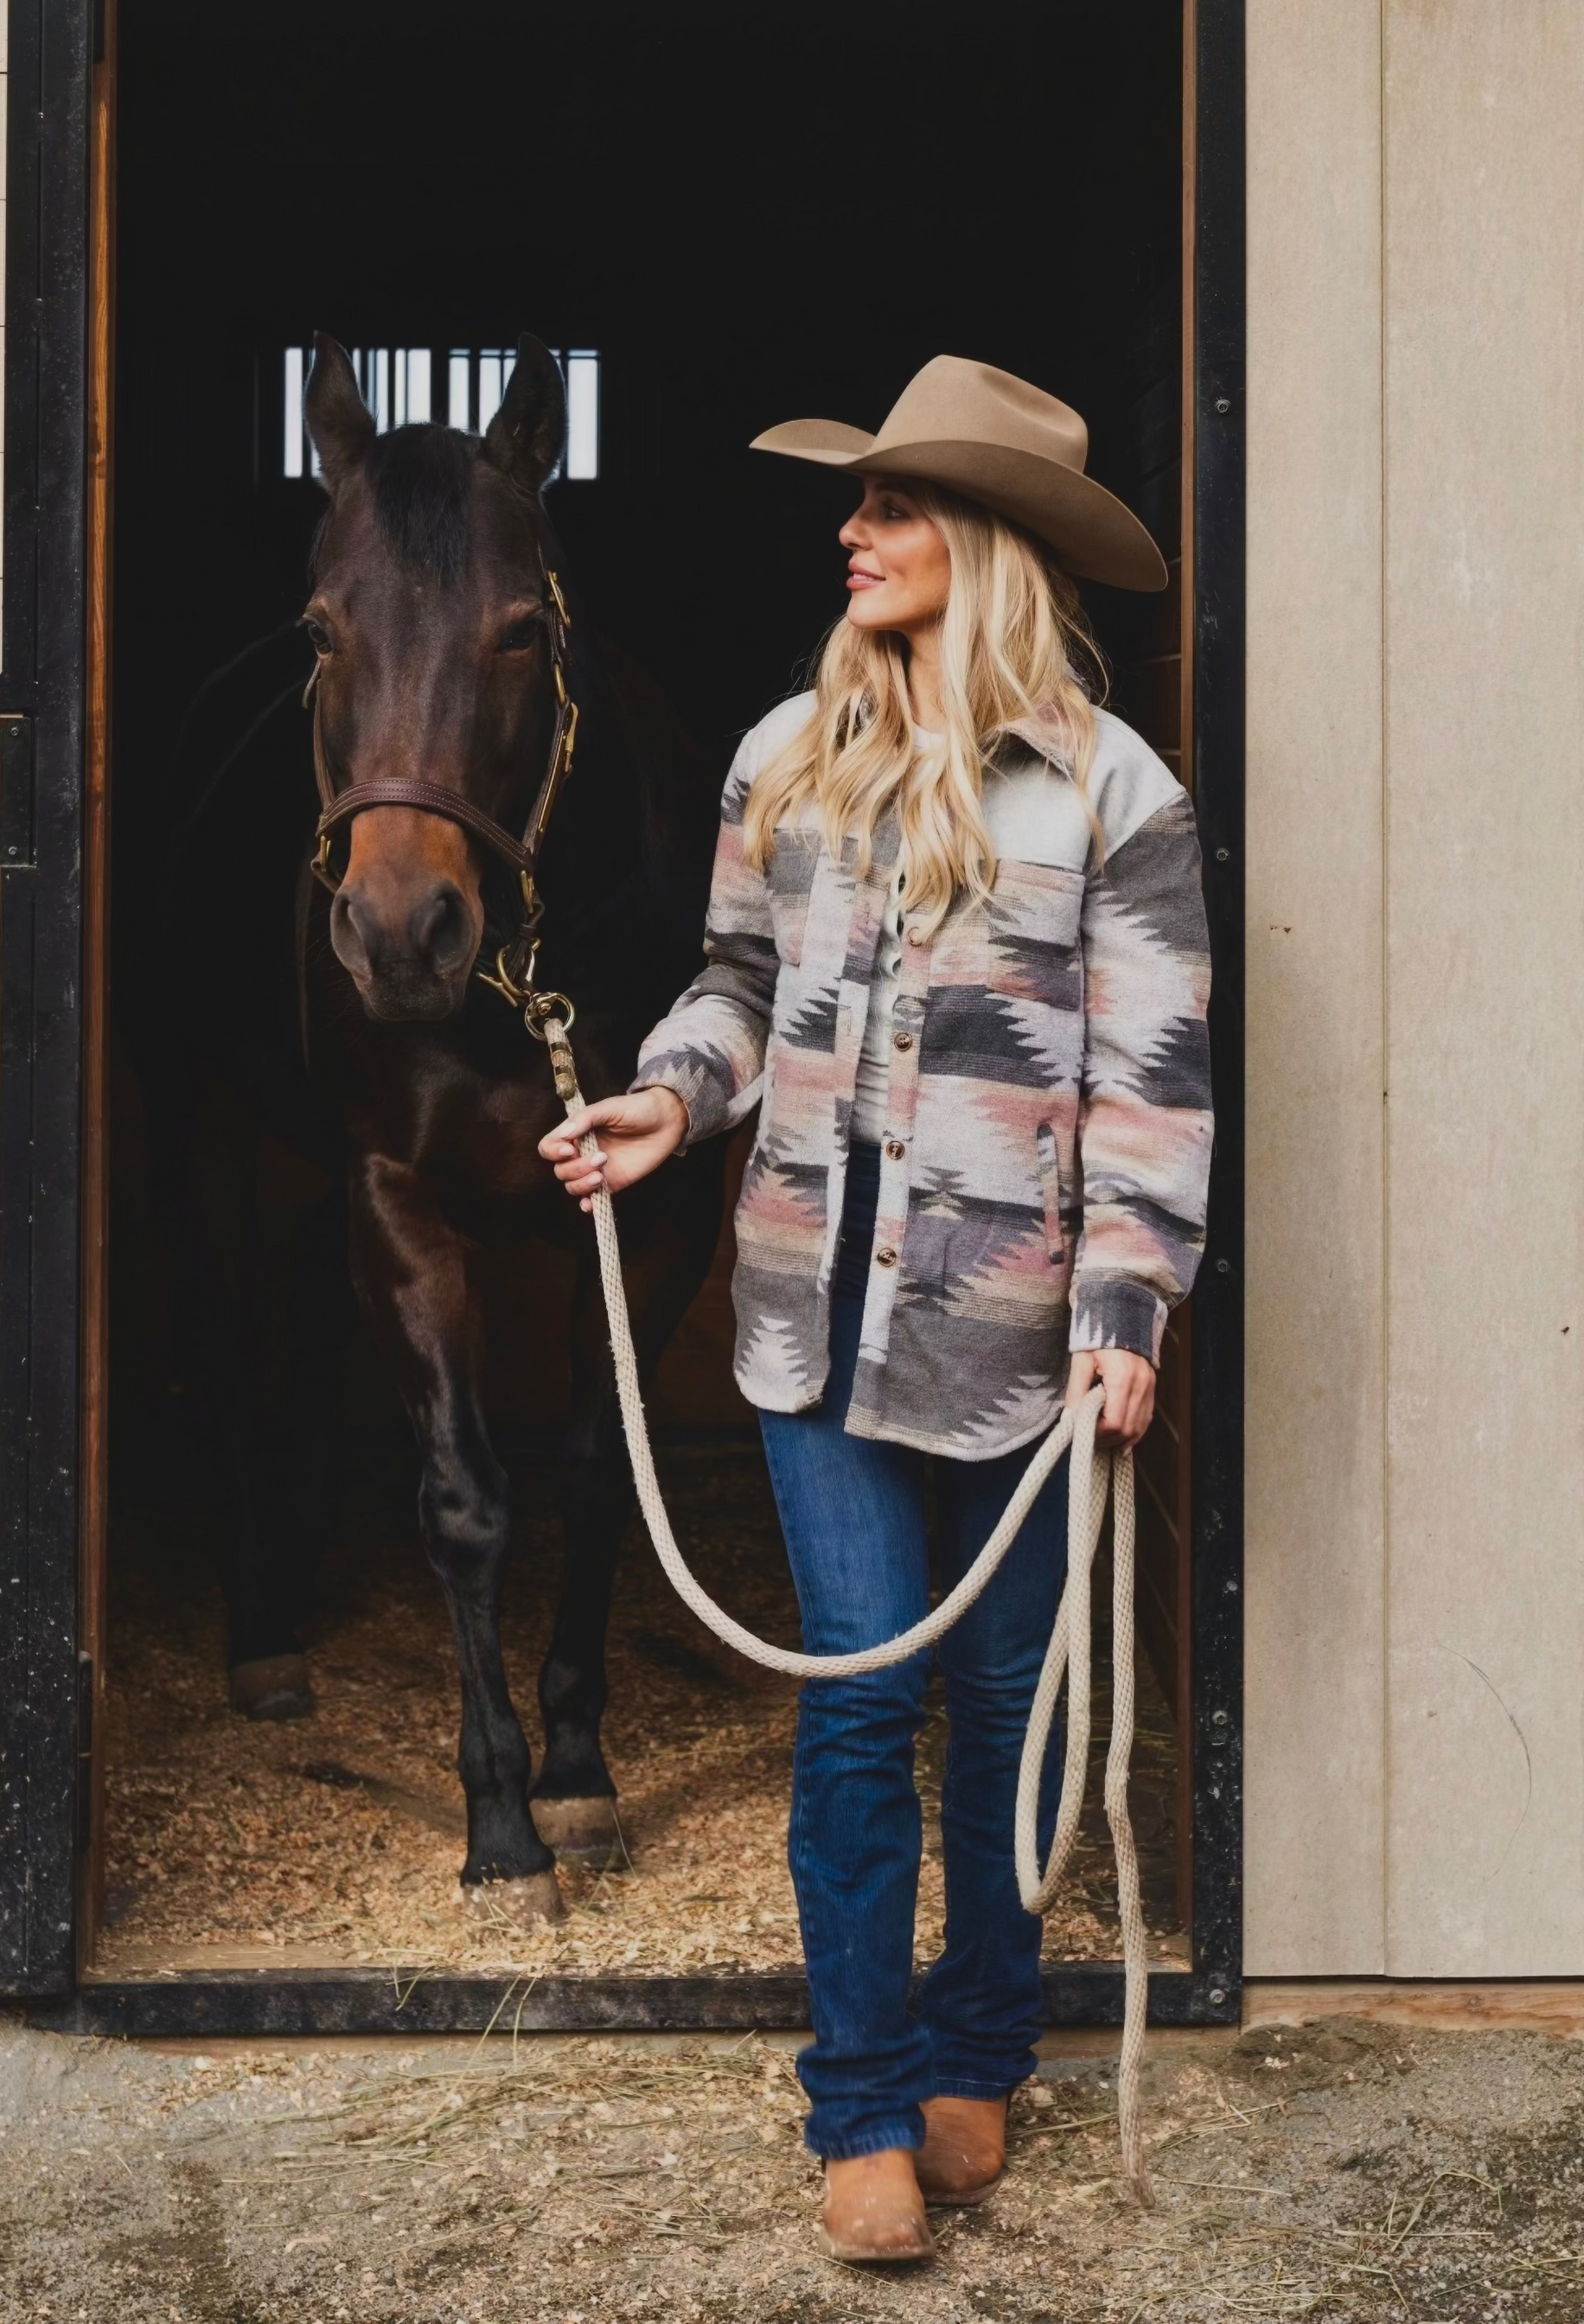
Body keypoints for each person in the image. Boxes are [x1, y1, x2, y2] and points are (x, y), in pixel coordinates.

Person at [540, 357, 1212, 2263]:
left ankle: (979, 2047)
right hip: (809, 1324)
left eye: (894, 505)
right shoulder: (787, 755)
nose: (853, 531)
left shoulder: (1115, 794)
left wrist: (1129, 1306)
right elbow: (738, 982)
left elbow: (1152, 1081)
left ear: (983, 543)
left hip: (1017, 1337)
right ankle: (858, 2103)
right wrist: (672, 1097)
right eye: (859, 503)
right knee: (858, 1703)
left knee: (1004, 1706)